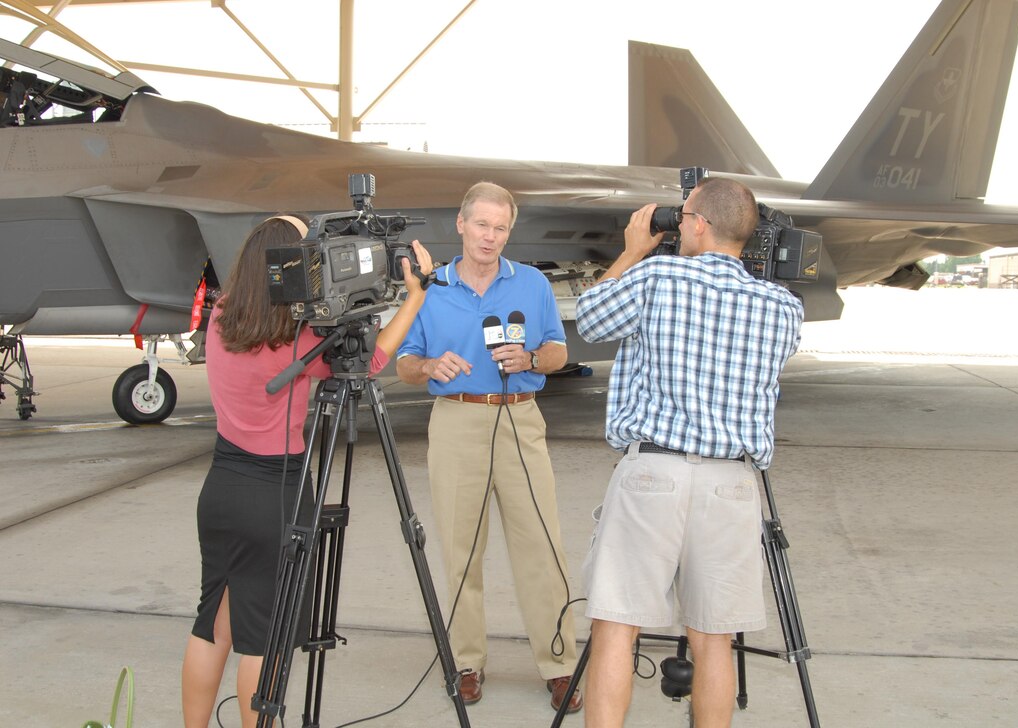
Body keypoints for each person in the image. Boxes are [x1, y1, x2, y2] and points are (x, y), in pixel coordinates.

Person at [181, 214, 434, 728]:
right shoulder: (298, 340)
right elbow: (373, 359)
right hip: (276, 493)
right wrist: (414, 296)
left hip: (222, 488)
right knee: (264, 641)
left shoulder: (223, 315)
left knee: (214, 626)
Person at [575, 177, 803, 727]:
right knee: (714, 639)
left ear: (698, 223)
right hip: (731, 484)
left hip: (655, 473)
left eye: (683, 218)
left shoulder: (656, 275)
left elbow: (589, 319)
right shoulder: (783, 307)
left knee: (616, 625)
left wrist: (632, 251)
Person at [395, 182, 583, 712]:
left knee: (541, 547)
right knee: (460, 548)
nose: (490, 237)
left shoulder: (532, 283)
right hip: (456, 420)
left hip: (520, 420)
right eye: (482, 225)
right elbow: (404, 362)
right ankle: (466, 662)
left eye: (500, 228)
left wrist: (533, 360)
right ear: (461, 223)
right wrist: (430, 366)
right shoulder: (430, 289)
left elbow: (556, 348)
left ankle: (560, 664)